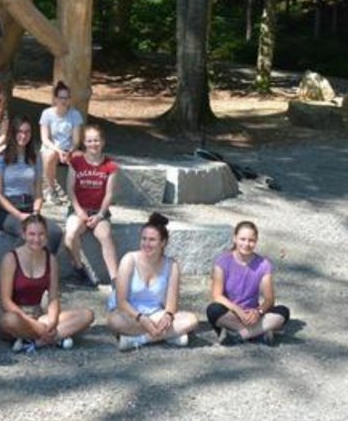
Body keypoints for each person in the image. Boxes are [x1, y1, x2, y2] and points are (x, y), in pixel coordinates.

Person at [0, 214, 94, 352]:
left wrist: (53, 321)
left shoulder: (51, 260)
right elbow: (6, 301)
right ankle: (55, 337)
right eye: (32, 234)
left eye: (41, 234)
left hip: (38, 315)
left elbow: (53, 297)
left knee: (87, 315)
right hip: (16, 315)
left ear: (46, 235)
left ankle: (36, 342)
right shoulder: (10, 258)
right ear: (23, 235)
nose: (37, 239)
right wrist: (33, 324)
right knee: (10, 321)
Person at [107, 213, 200, 350]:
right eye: (143, 239)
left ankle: (138, 340)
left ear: (163, 243)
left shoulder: (172, 265)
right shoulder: (129, 260)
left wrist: (167, 316)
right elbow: (121, 302)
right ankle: (169, 335)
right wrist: (142, 319)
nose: (146, 244)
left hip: (156, 314)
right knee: (114, 321)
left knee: (191, 320)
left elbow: (171, 305)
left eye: (152, 240)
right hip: (130, 314)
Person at [206, 220, 290, 345]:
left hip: (253, 314)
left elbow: (269, 300)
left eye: (251, 240)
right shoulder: (222, 262)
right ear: (235, 239)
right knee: (213, 310)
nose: (246, 244)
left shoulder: (263, 265)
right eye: (242, 239)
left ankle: (239, 335)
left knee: (283, 311)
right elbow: (217, 296)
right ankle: (258, 333)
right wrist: (237, 309)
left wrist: (258, 312)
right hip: (231, 313)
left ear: (256, 241)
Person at [0, 119, 62, 254]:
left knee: (55, 232)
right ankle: (19, 265)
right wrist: (18, 215)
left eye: (27, 132)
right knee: (31, 233)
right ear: (13, 133)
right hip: (7, 212)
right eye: (20, 132)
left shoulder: (35, 158)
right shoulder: (1, 157)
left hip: (29, 208)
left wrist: (36, 212)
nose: (23, 136)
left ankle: (45, 265)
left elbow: (38, 192)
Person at [62, 124, 119, 288]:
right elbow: (70, 189)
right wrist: (79, 211)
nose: (93, 144)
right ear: (84, 143)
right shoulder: (76, 162)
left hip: (99, 212)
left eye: (96, 140)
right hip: (78, 210)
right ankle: (80, 270)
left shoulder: (110, 165)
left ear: (103, 142)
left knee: (106, 236)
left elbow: (109, 194)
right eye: (89, 141)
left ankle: (115, 278)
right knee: (70, 235)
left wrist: (100, 215)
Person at [38, 81, 84, 204]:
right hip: (52, 147)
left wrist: (69, 151)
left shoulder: (75, 114)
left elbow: (76, 140)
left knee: (80, 157)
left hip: (68, 148)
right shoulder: (47, 114)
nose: (64, 100)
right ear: (55, 99)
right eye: (61, 97)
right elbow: (45, 139)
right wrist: (58, 151)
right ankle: (50, 189)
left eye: (66, 98)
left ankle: (78, 192)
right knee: (49, 154)